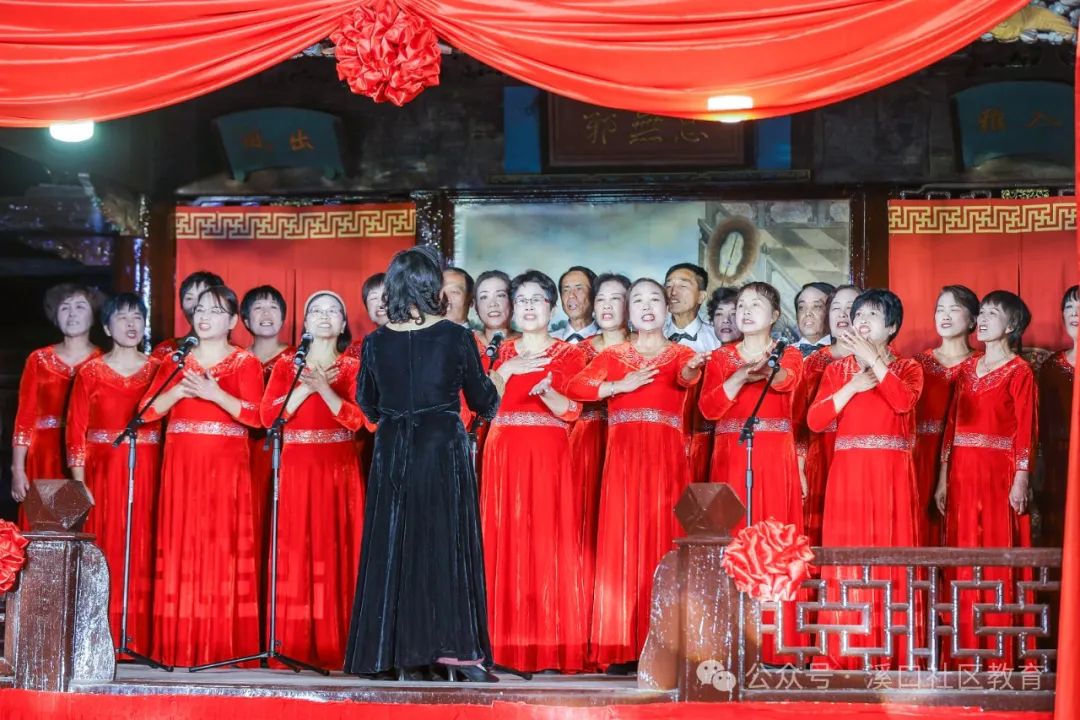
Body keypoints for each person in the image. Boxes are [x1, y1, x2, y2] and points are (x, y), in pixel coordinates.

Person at [345, 246, 501, 683]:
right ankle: (455, 653)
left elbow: (368, 405)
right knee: (443, 545)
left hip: (393, 447)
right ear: (433, 286)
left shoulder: (375, 342)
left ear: (392, 287)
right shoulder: (455, 336)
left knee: (393, 546)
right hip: (441, 448)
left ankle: (391, 654)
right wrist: (496, 384)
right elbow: (484, 401)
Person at [567, 277, 704, 673]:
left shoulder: (682, 353)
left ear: (666, 308)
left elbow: (687, 377)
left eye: (654, 299)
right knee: (621, 543)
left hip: (666, 461)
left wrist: (691, 371)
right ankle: (621, 645)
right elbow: (577, 386)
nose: (646, 306)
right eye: (638, 300)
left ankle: (667, 644)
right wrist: (617, 386)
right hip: (623, 461)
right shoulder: (614, 354)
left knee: (664, 544)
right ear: (630, 310)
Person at [140, 285, 264, 668]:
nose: (205, 316)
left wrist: (214, 394)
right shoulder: (175, 361)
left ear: (232, 321)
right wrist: (178, 392)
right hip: (182, 468)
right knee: (182, 548)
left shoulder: (245, 362)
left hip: (226, 471)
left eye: (216, 310)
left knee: (221, 551)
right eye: (200, 310)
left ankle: (222, 646)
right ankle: (179, 643)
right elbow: (145, 411)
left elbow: (258, 417)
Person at [808, 289, 922, 669]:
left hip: (891, 475)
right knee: (847, 555)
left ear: (891, 327)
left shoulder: (909, 368)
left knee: (890, 554)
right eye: (858, 314)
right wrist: (852, 387)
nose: (861, 321)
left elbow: (903, 402)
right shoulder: (836, 371)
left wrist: (874, 361)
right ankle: (842, 652)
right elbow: (815, 420)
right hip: (848, 474)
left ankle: (892, 652)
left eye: (872, 315)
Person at [481, 270, 588, 673]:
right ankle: (500, 644)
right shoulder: (497, 352)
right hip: (504, 451)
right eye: (521, 300)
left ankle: (548, 646)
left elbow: (573, 411)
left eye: (536, 300)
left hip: (548, 453)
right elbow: (479, 405)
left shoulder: (570, 354)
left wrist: (549, 393)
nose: (528, 307)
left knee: (547, 541)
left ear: (551, 307)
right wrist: (506, 371)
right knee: (503, 540)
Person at [260, 291, 364, 670]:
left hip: (338, 467)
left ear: (343, 323)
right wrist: (307, 386)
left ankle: (341, 644)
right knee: (297, 551)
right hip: (297, 466)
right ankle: (293, 644)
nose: (324, 316)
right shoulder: (287, 365)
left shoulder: (353, 367)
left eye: (333, 311)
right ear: (304, 322)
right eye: (316, 311)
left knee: (337, 550)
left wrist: (324, 389)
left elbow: (359, 420)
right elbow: (269, 417)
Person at [935, 290, 1036, 667]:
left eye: (993, 314)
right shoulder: (966, 370)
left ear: (1011, 325)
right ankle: (962, 652)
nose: (983, 320)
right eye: (983, 313)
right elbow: (951, 428)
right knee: (961, 551)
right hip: (961, 471)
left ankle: (999, 653)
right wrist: (943, 477)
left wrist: (1021, 478)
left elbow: (1026, 430)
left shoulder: (1020, 371)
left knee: (995, 550)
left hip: (998, 473)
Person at [66, 293, 160, 649]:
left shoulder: (159, 370)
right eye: (122, 318)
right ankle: (101, 639)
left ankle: (142, 637)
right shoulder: (90, 372)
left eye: (137, 317)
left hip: (149, 471)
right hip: (103, 473)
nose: (131, 324)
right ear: (106, 328)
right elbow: (75, 431)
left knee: (144, 548)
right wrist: (80, 483)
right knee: (106, 550)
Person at [700, 282, 804, 533]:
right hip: (731, 453)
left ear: (774, 315)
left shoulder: (789, 354)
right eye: (741, 306)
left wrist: (768, 370)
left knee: (773, 528)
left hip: (774, 455)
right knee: (732, 526)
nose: (746, 311)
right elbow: (709, 409)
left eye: (756, 305)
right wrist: (738, 377)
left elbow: (787, 381)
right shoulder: (720, 357)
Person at [12, 283, 103, 507]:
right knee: (46, 525)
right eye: (64, 308)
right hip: (44, 456)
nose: (72, 314)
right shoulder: (38, 360)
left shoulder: (103, 361)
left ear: (93, 316)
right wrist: (18, 469)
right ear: (54, 316)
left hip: (89, 457)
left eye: (80, 306)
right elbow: (24, 418)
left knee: (86, 524)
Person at [577, 273, 630, 625]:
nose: (607, 306)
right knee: (585, 529)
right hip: (588, 440)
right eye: (601, 299)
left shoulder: (647, 348)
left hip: (628, 445)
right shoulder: (578, 351)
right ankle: (586, 617)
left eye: (617, 298)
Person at [911, 285, 978, 546]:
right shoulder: (916, 364)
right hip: (922, 454)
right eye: (940, 310)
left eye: (954, 309)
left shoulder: (982, 365)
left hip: (964, 456)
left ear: (973, 320)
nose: (945, 315)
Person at [240, 284, 291, 614]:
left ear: (284, 317)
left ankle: (277, 616)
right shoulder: (235, 360)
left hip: (284, 455)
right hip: (242, 456)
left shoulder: (296, 358)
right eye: (258, 307)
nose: (266, 313)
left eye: (273, 307)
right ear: (244, 319)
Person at [797, 284, 861, 546]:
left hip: (859, 460)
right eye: (835, 308)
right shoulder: (812, 362)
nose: (842, 314)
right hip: (819, 455)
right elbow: (799, 420)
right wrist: (799, 466)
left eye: (851, 308)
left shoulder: (884, 363)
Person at [664, 263, 721, 486]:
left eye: (683, 285)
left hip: (702, 435)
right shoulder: (652, 335)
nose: (673, 291)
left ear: (701, 296)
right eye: (669, 285)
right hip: (663, 433)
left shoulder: (716, 338)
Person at [1037, 285, 1077, 547]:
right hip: (1060, 462)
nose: (1075, 314)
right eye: (1069, 308)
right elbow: (1042, 422)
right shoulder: (1052, 366)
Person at [150, 270, 224, 361]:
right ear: (181, 305)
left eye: (202, 297)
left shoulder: (236, 357)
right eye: (189, 298)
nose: (195, 306)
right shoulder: (164, 351)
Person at [551, 266, 598, 343]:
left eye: (579, 288)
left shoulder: (608, 340)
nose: (571, 295)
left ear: (594, 295)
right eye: (566, 290)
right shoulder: (549, 342)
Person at [473, 270, 518, 349]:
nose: (493, 304)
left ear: (512, 302)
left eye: (500, 295)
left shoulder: (530, 343)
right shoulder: (465, 342)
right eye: (484, 297)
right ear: (476, 306)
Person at [794, 282, 836, 356]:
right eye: (801, 307)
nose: (807, 313)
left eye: (817, 306)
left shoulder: (845, 354)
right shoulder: (781, 355)